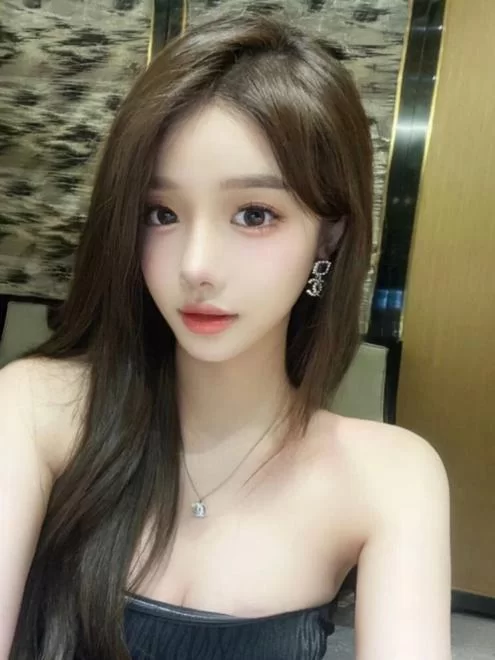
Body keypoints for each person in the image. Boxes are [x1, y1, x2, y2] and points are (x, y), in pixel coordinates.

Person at [1, 3, 451, 659]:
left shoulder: (387, 478)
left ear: (328, 236)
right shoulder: (37, 410)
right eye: (160, 213)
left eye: (253, 214)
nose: (196, 267)